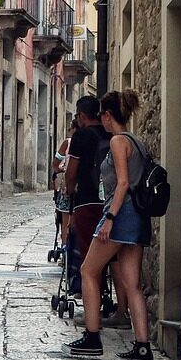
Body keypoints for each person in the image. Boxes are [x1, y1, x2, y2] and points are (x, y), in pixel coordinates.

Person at [61, 90, 154, 360]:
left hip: (120, 214)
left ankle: (91, 337)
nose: (101, 119)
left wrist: (110, 217)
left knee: (89, 271)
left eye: (102, 114)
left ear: (108, 115)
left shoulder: (117, 142)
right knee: (132, 284)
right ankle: (142, 347)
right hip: (138, 216)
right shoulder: (138, 142)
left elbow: (122, 183)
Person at [65, 97, 130, 328]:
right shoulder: (110, 136)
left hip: (87, 204)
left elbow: (71, 173)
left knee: (89, 261)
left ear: (82, 116)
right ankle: (121, 311)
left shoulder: (80, 136)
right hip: (111, 203)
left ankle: (92, 316)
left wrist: (69, 191)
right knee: (114, 260)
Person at [52, 120, 77, 251]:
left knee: (66, 221)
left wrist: (63, 169)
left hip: (68, 188)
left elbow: (55, 165)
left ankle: (65, 249)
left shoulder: (68, 143)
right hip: (88, 191)